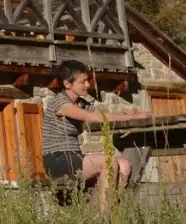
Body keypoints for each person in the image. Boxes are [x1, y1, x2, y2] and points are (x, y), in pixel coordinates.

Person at [42, 60, 150, 209]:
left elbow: (104, 115)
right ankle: (103, 222)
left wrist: (129, 114)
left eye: (88, 80)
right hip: (57, 159)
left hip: (75, 157)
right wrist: (132, 118)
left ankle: (109, 212)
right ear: (68, 84)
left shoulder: (81, 103)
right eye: (83, 81)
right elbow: (94, 118)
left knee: (125, 165)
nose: (88, 85)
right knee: (109, 161)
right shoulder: (60, 103)